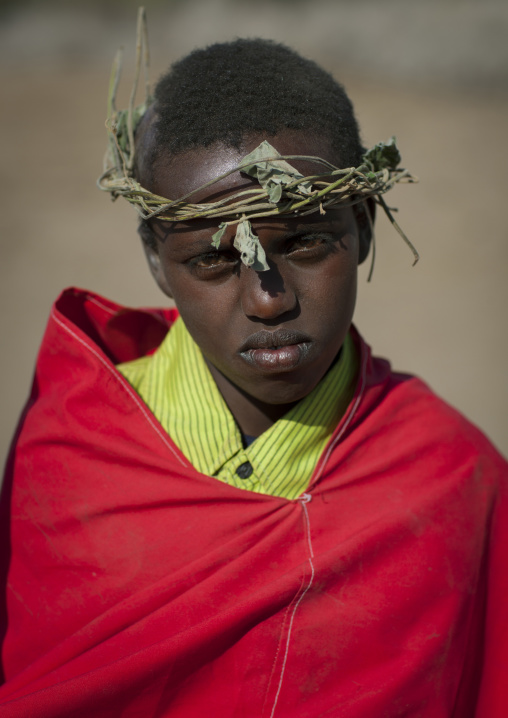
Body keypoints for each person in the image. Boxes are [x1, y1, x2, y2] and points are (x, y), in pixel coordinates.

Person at [1, 27, 507, 718]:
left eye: (305, 242)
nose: (269, 298)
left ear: (362, 225)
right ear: (156, 257)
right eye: (213, 258)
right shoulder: (64, 457)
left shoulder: (455, 480)